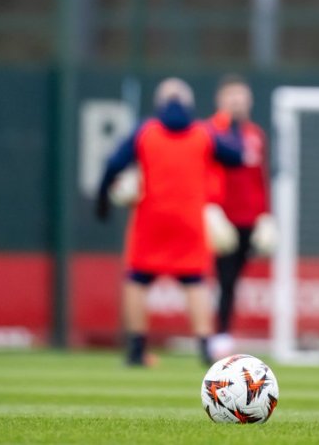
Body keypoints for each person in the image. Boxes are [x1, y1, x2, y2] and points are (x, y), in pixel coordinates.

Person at [96, 78, 242, 367]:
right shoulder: (203, 134)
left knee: (137, 280)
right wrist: (232, 123)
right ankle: (204, 347)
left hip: (151, 218)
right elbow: (235, 156)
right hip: (188, 220)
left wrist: (103, 198)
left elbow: (113, 163)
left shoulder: (146, 132)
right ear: (188, 104)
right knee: (195, 282)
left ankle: (136, 350)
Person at [204, 74, 273, 358]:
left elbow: (259, 178)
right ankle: (217, 335)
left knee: (233, 280)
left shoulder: (255, 134)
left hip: (249, 218)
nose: (237, 101)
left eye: (241, 96)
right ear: (220, 100)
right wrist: (208, 208)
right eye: (231, 96)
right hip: (220, 217)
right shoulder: (209, 131)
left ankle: (221, 333)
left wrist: (266, 215)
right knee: (221, 277)